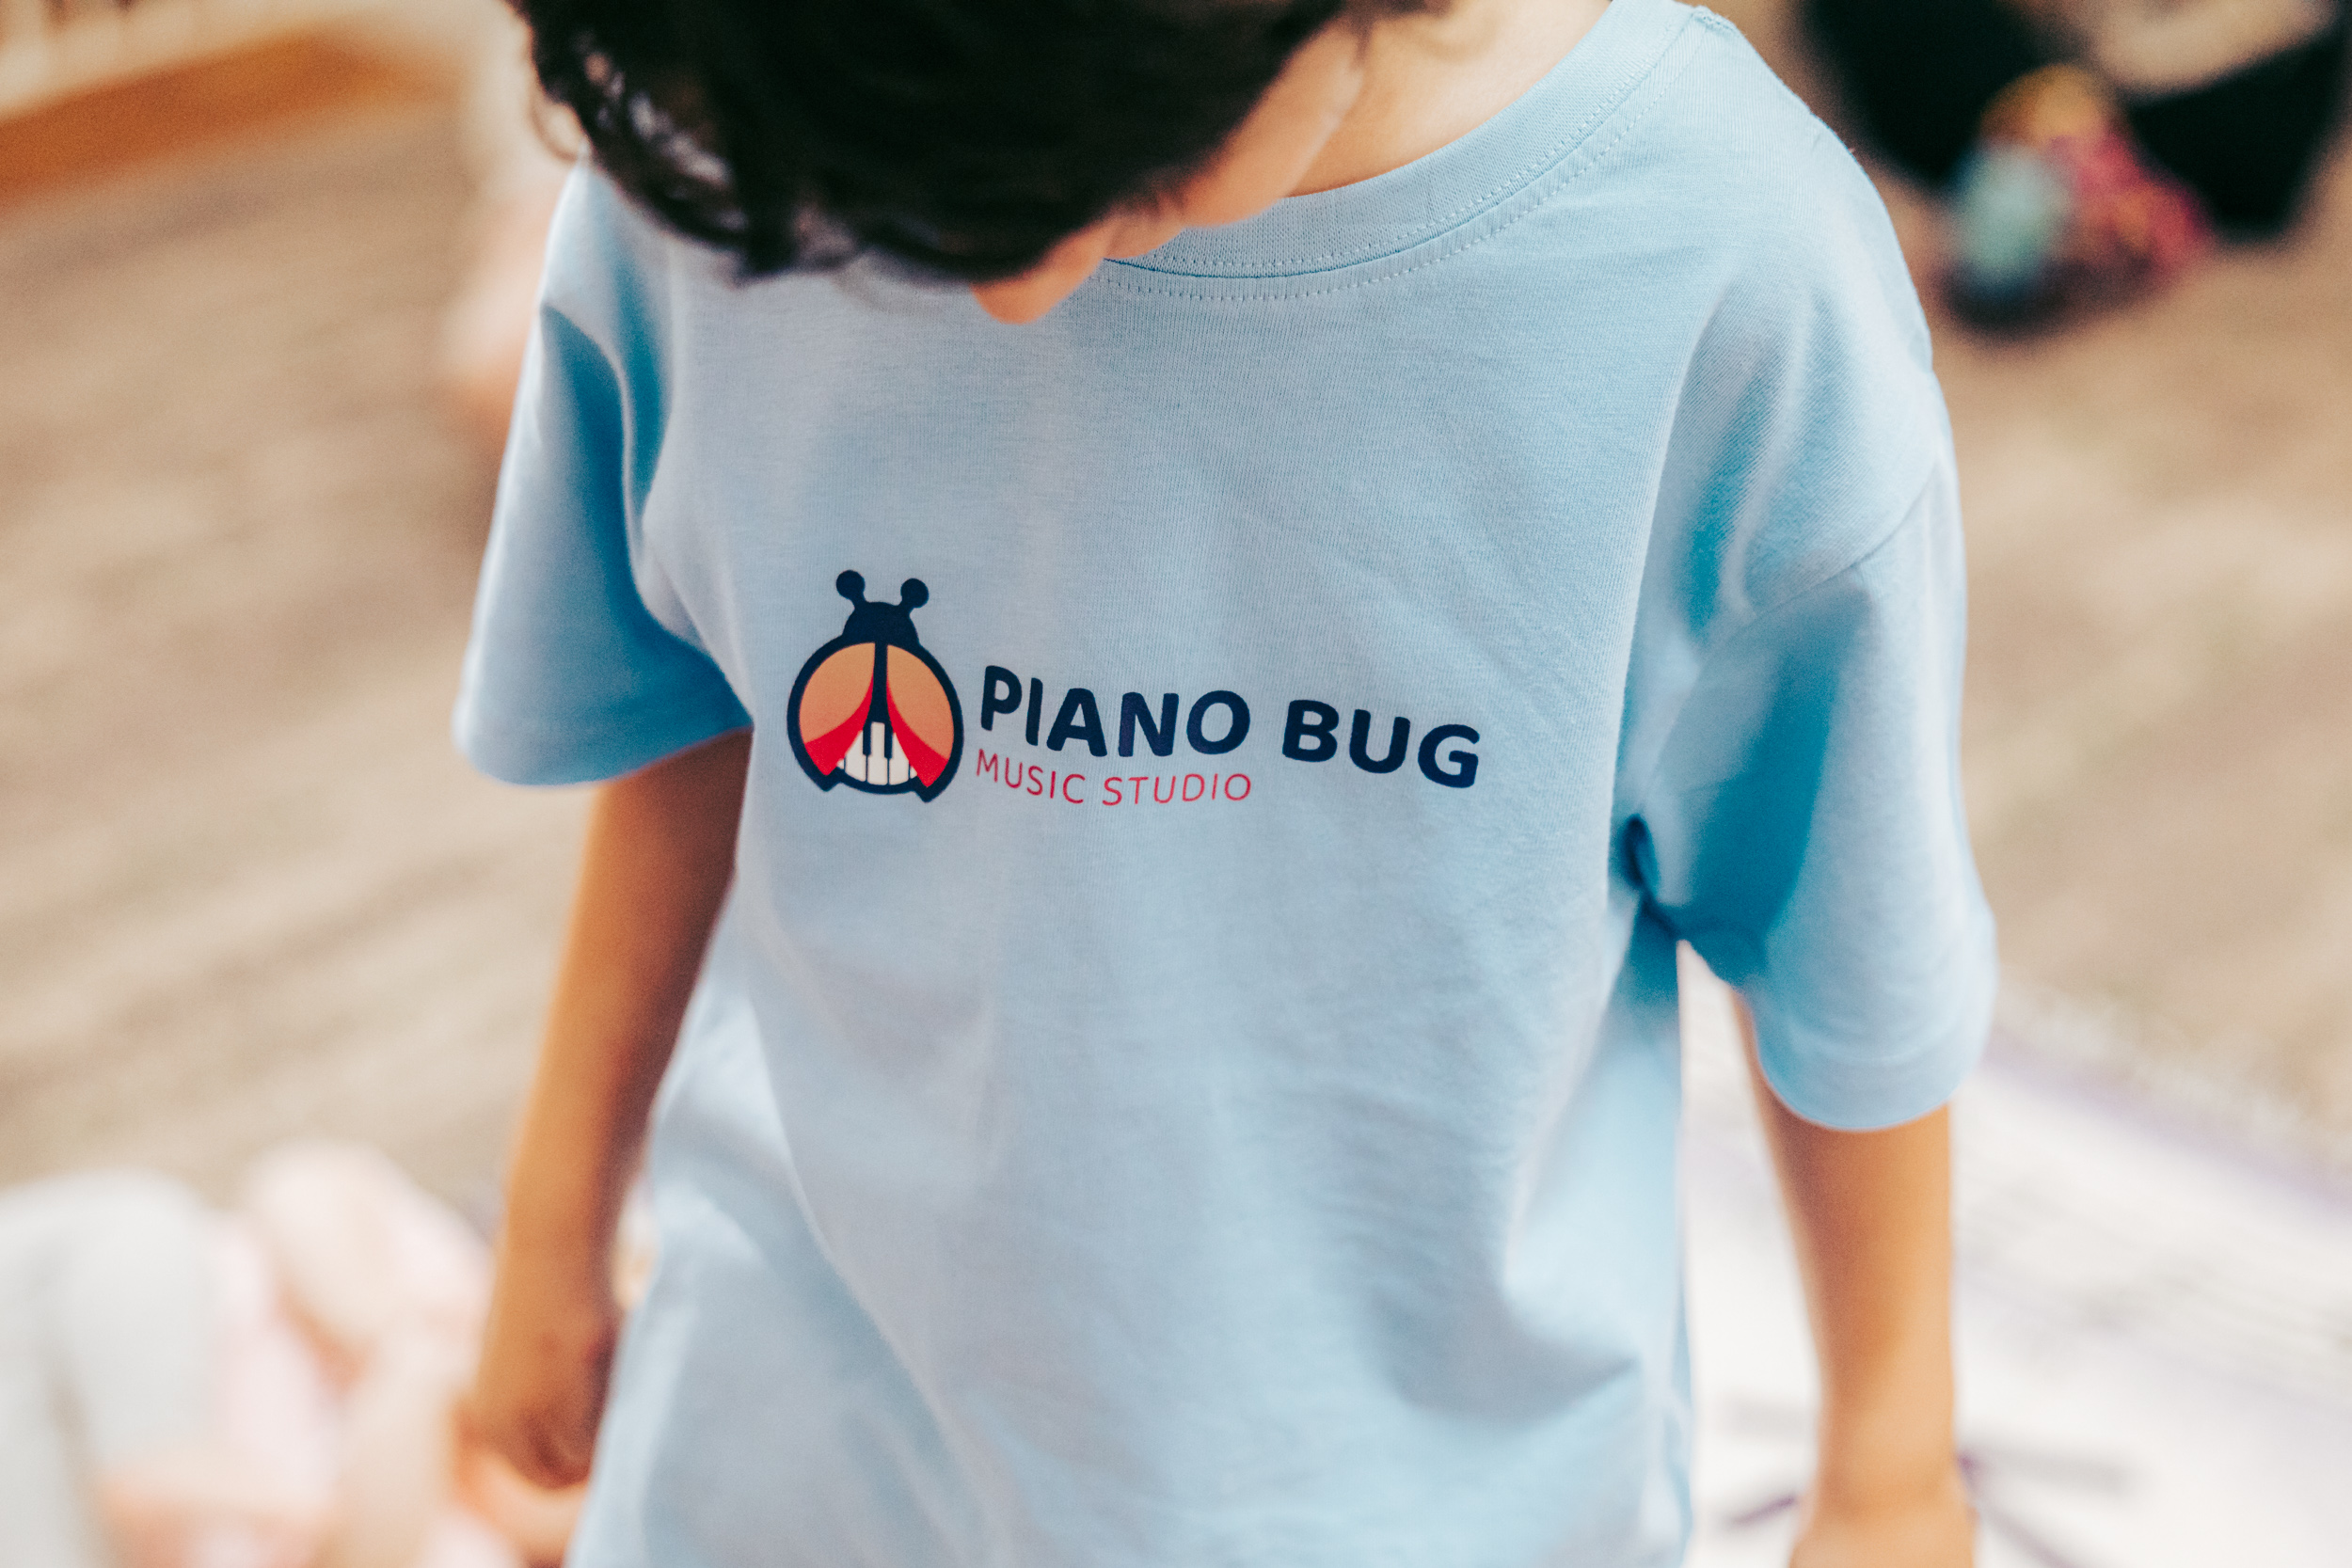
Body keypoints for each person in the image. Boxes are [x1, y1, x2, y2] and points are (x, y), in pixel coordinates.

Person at [454, 0, 1998, 1564]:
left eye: (1107, 173)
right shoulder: (735, 121)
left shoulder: (1716, 270)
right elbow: (697, 708)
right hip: (789, 1440)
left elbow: (1846, 929)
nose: (1007, 286)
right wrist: (555, 1214)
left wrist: (1887, 1473)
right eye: (897, 208)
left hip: (1426, 1501)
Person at [0, 1144, 580, 1568]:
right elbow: (297, 1185)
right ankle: (156, 1443)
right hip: (55, 1346)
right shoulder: (459, 1287)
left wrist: (413, 1391)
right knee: (143, 1219)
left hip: (75, 1528)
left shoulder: (470, 1551)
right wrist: (379, 1326)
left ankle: (158, 1458)